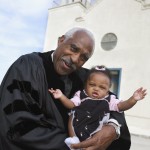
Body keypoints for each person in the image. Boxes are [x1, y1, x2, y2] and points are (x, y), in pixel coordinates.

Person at [0, 27, 130, 150]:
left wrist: (113, 126)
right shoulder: (28, 66)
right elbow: (17, 125)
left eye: (83, 57)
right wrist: (75, 146)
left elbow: (112, 101)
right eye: (73, 48)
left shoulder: (85, 78)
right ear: (61, 40)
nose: (75, 59)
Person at [49, 65, 146, 149]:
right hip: (77, 129)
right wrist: (61, 96)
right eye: (92, 85)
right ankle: (74, 141)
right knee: (72, 114)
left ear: (108, 89)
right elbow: (70, 104)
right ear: (86, 84)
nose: (96, 88)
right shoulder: (81, 95)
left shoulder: (109, 100)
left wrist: (133, 99)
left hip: (94, 133)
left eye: (102, 87)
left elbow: (121, 106)